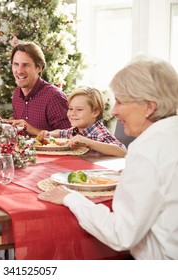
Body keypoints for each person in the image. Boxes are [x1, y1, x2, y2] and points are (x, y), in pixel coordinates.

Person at [39, 55, 178, 259]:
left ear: (149, 107)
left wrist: (70, 197)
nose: (113, 112)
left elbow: (120, 234)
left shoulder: (147, 151)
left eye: (120, 102)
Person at [0, 42, 71, 135]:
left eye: (26, 65)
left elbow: (70, 135)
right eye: (16, 64)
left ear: (38, 68)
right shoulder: (17, 93)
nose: (19, 71)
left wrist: (33, 130)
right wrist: (1, 122)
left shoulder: (54, 97)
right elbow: (18, 122)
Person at [38, 87, 127, 157]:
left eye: (79, 109)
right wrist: (49, 134)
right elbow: (60, 133)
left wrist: (88, 142)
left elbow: (123, 152)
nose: (72, 113)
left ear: (95, 112)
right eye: (70, 108)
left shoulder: (99, 132)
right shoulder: (75, 131)